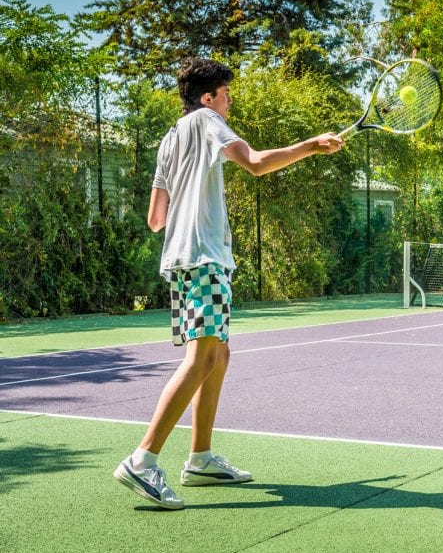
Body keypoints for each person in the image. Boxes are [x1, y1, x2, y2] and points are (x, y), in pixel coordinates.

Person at [114, 58, 344, 509]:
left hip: (181, 259)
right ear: (207, 98)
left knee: (219, 353)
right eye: (225, 94)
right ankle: (143, 460)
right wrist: (312, 146)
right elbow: (256, 163)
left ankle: (199, 458)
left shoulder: (169, 139)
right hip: (204, 258)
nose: (229, 101)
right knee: (203, 358)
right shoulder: (207, 121)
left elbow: (155, 220)